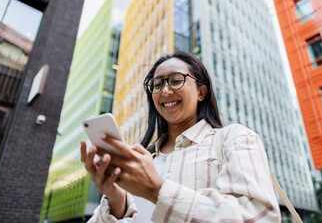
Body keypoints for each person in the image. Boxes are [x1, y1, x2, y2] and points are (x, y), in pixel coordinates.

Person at [80, 51, 281, 222]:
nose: (165, 91)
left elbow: (258, 216)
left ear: (201, 92)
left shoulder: (234, 138)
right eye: (157, 85)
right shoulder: (142, 161)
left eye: (176, 81)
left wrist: (157, 190)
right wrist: (117, 201)